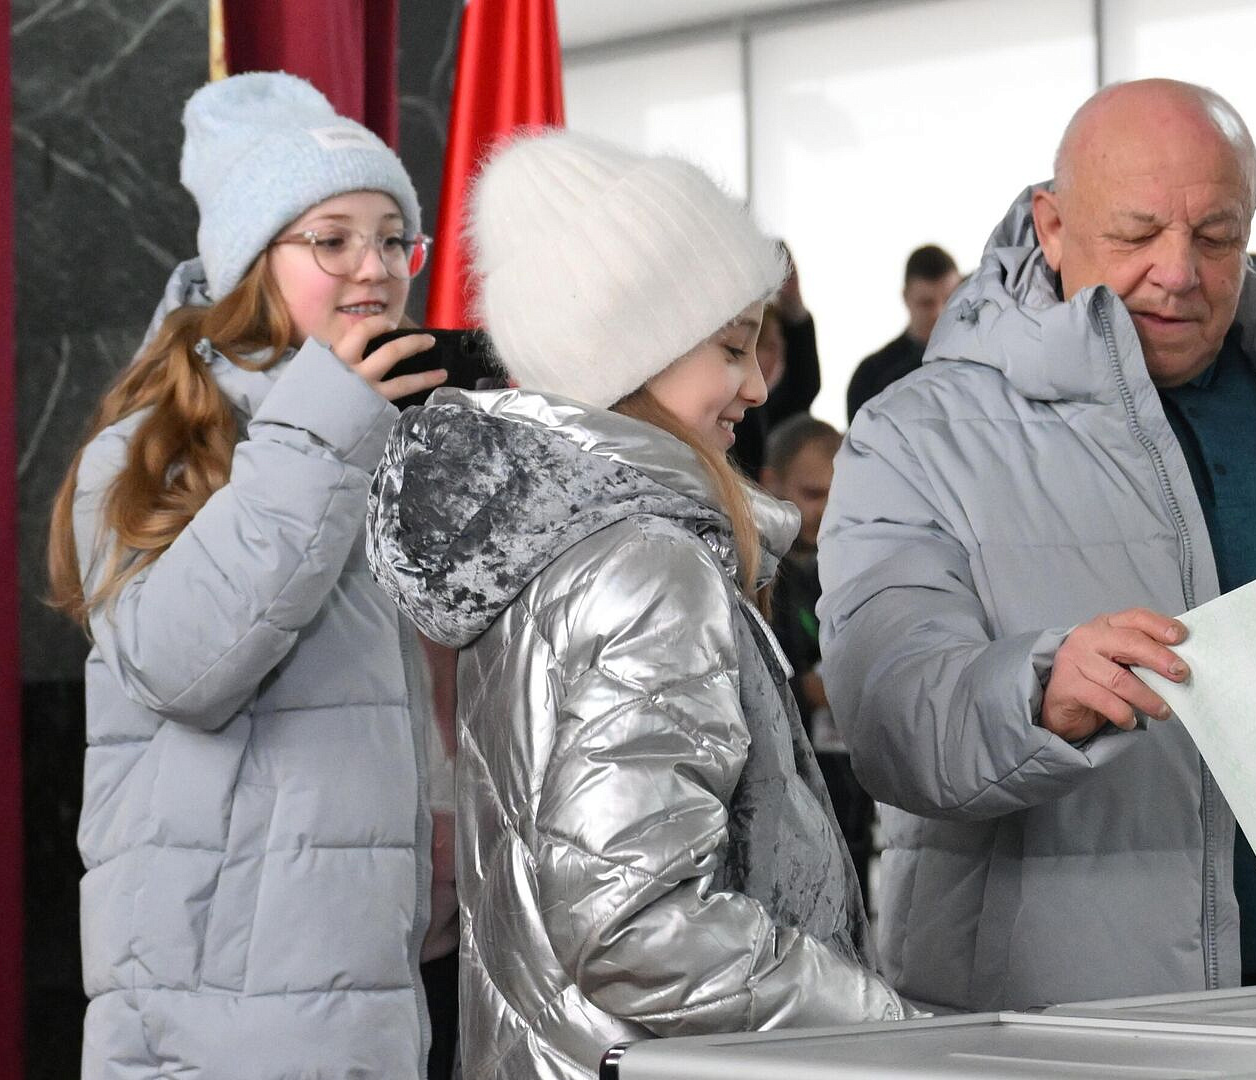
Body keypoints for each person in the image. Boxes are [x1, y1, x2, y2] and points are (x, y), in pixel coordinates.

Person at [820, 79, 1256, 1012]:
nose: (1179, 271)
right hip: (1069, 1040)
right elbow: (888, 719)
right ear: (1050, 224)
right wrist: (1035, 694)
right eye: (1135, 235)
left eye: (1216, 236)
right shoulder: (917, 434)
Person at [366, 130, 914, 1080]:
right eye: (733, 348)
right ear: (633, 349)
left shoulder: (546, 547)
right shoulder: (644, 568)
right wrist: (881, 1020)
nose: (756, 384)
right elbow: (634, 929)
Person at [46, 73, 450, 1077]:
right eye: (334, 238)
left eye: (394, 237)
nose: (376, 267)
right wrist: (323, 429)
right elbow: (185, 666)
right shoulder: (146, 456)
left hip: (365, 1005)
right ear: (249, 261)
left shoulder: (365, 449)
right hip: (209, 1027)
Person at [759, 415, 875, 893]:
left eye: (838, 493)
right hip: (790, 787)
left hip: (851, 782)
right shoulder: (760, 575)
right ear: (771, 484)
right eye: (812, 494)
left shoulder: (856, 567)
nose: (827, 510)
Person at [844, 244, 961, 423]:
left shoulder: (987, 361)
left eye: (949, 299)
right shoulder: (872, 375)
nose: (939, 313)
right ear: (906, 297)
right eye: (926, 303)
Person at [731, 247, 822, 477]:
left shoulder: (786, 405)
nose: (777, 357)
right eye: (767, 347)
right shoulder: (734, 416)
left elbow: (806, 382)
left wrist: (793, 297)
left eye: (778, 347)